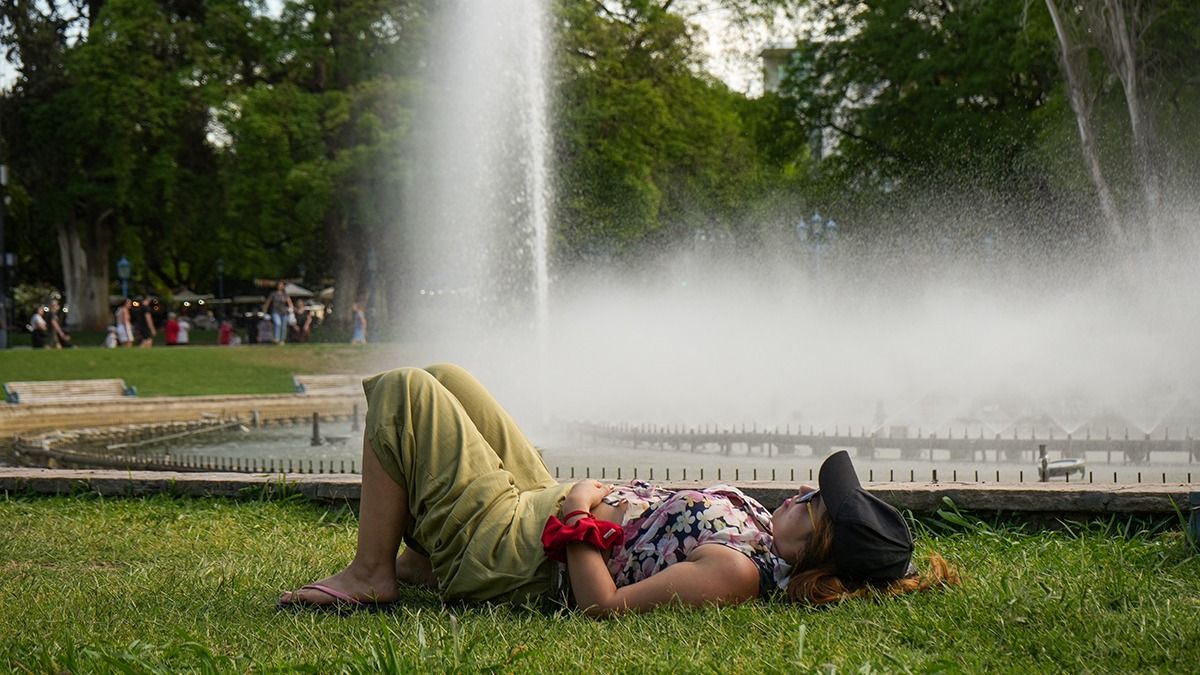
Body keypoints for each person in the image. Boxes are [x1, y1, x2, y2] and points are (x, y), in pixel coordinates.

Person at [278, 364, 958, 616]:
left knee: (405, 392)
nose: (794, 498)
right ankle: (426, 559)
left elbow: (601, 605)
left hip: (517, 550)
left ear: (821, 549)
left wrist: (578, 513)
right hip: (534, 508)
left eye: (809, 507)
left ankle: (374, 574)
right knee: (448, 377)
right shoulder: (758, 532)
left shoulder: (738, 571)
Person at [262, 280, 293, 345]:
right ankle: (276, 338)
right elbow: (268, 302)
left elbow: (289, 302)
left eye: (281, 285)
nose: (280, 286)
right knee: (278, 324)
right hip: (275, 312)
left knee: (283, 326)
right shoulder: (273, 294)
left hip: (284, 312)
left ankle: (282, 340)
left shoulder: (285, 294)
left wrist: (291, 309)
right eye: (279, 285)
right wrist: (264, 311)